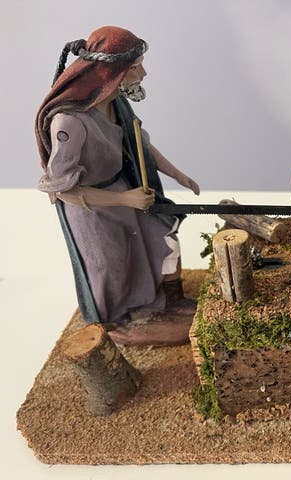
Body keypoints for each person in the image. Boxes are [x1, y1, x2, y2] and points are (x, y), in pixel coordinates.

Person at [35, 26, 201, 346]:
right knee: (110, 268)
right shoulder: (69, 122)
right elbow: (64, 190)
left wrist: (177, 174)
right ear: (111, 72)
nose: (144, 73)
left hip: (126, 192)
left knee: (161, 236)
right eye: (136, 67)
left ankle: (168, 302)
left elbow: (139, 143)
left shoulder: (117, 104)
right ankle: (115, 327)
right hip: (92, 208)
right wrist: (125, 200)